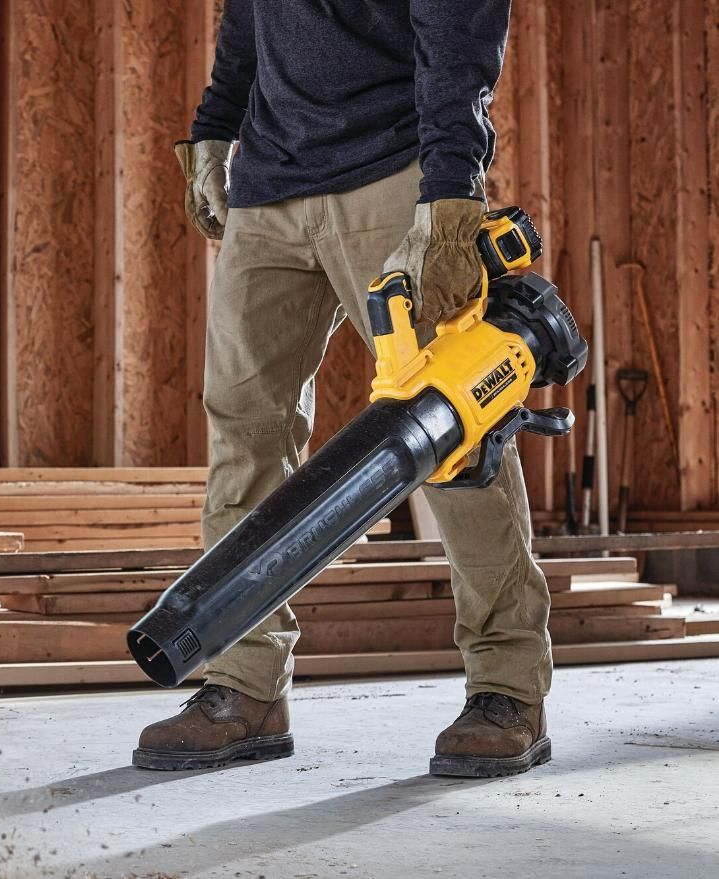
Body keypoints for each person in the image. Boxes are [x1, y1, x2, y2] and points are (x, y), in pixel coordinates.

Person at [140, 0, 552, 779]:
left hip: (393, 175)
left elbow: (458, 27)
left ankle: (507, 687)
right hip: (266, 185)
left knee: (451, 425)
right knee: (244, 431)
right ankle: (243, 685)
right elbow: (247, 20)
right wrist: (215, 126)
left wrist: (452, 186)